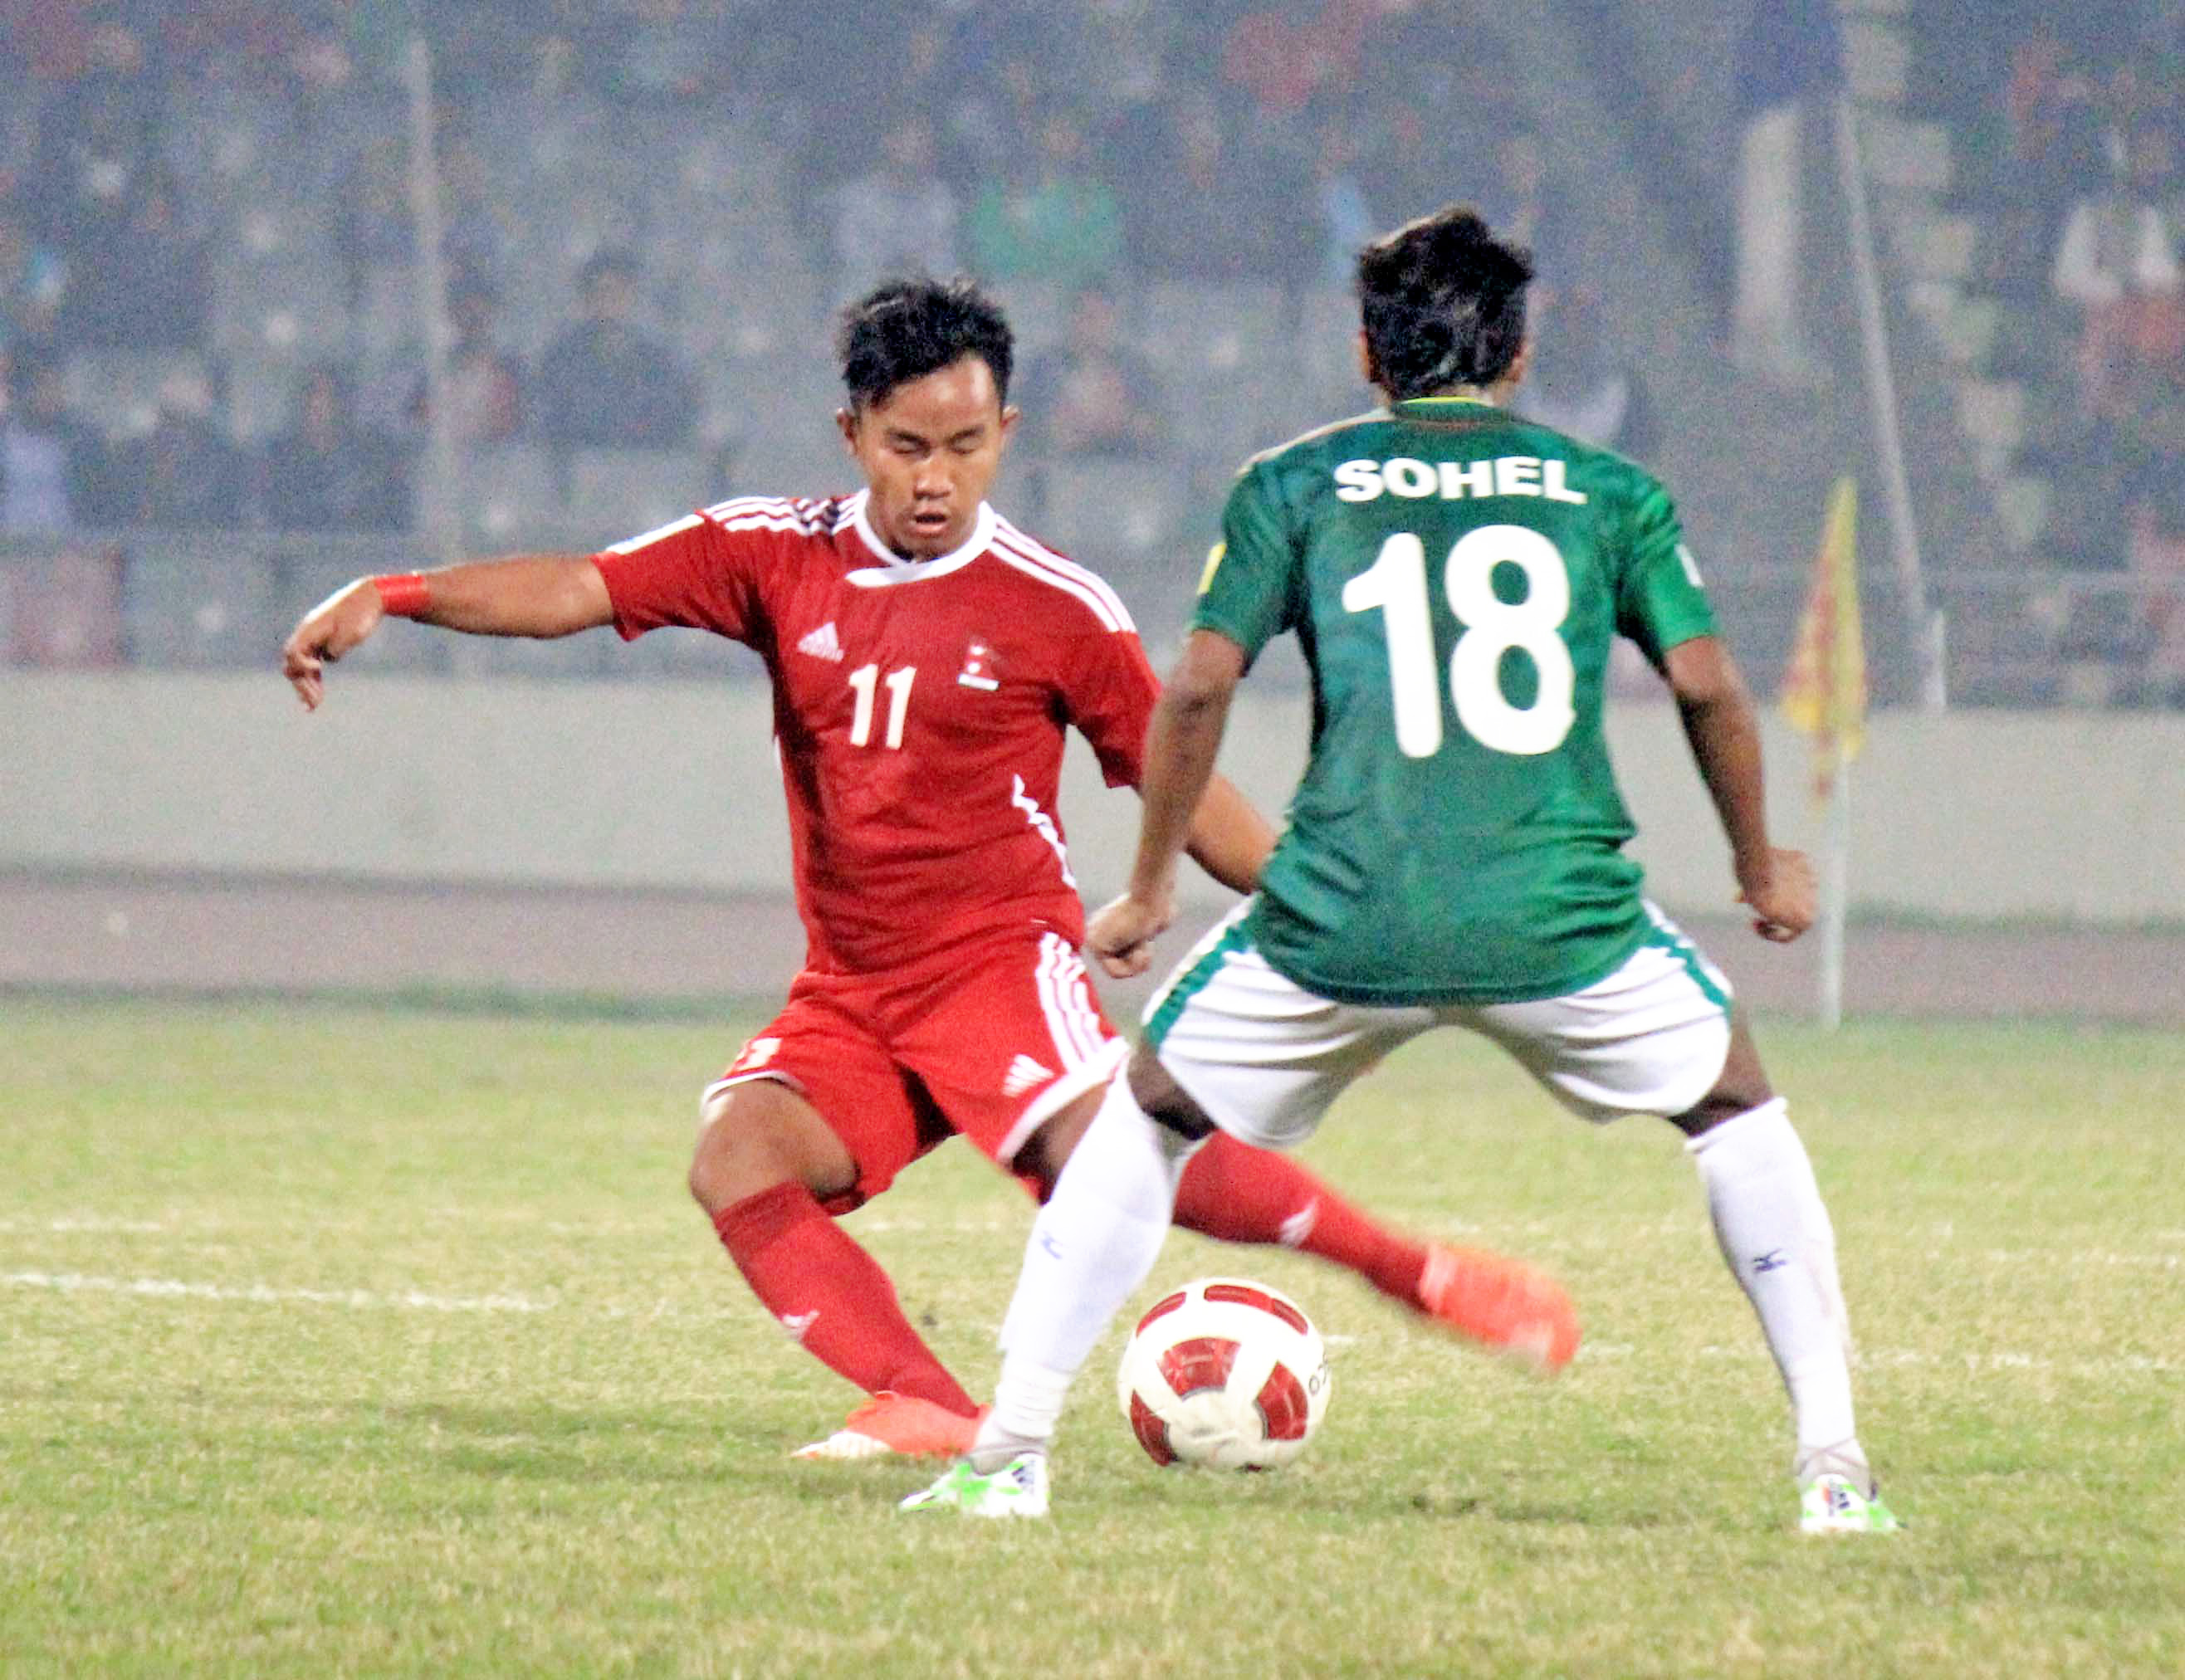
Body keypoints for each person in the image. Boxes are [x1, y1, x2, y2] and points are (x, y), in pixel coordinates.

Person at [281, 276, 1578, 1461]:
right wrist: (393, 594)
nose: (937, 480)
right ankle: (934, 1406)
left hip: (993, 961)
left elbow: (1182, 788)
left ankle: (1413, 1271)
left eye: (966, 445)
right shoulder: (771, 553)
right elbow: (580, 584)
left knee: (1104, 1153)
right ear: (851, 434)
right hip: (853, 985)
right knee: (738, 1159)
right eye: (907, 447)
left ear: (1006, 430)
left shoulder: (1053, 605)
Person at [906, 209, 1899, 1535]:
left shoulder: (1294, 484)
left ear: (1368, 350)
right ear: (1523, 348)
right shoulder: (1610, 494)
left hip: (1337, 917)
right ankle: (1833, 1469)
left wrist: (1150, 886)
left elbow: (1201, 679)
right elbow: (1709, 681)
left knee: (1145, 1115)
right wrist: (1757, 861)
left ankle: (1009, 1453)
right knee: (1734, 1109)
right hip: (1560, 920)